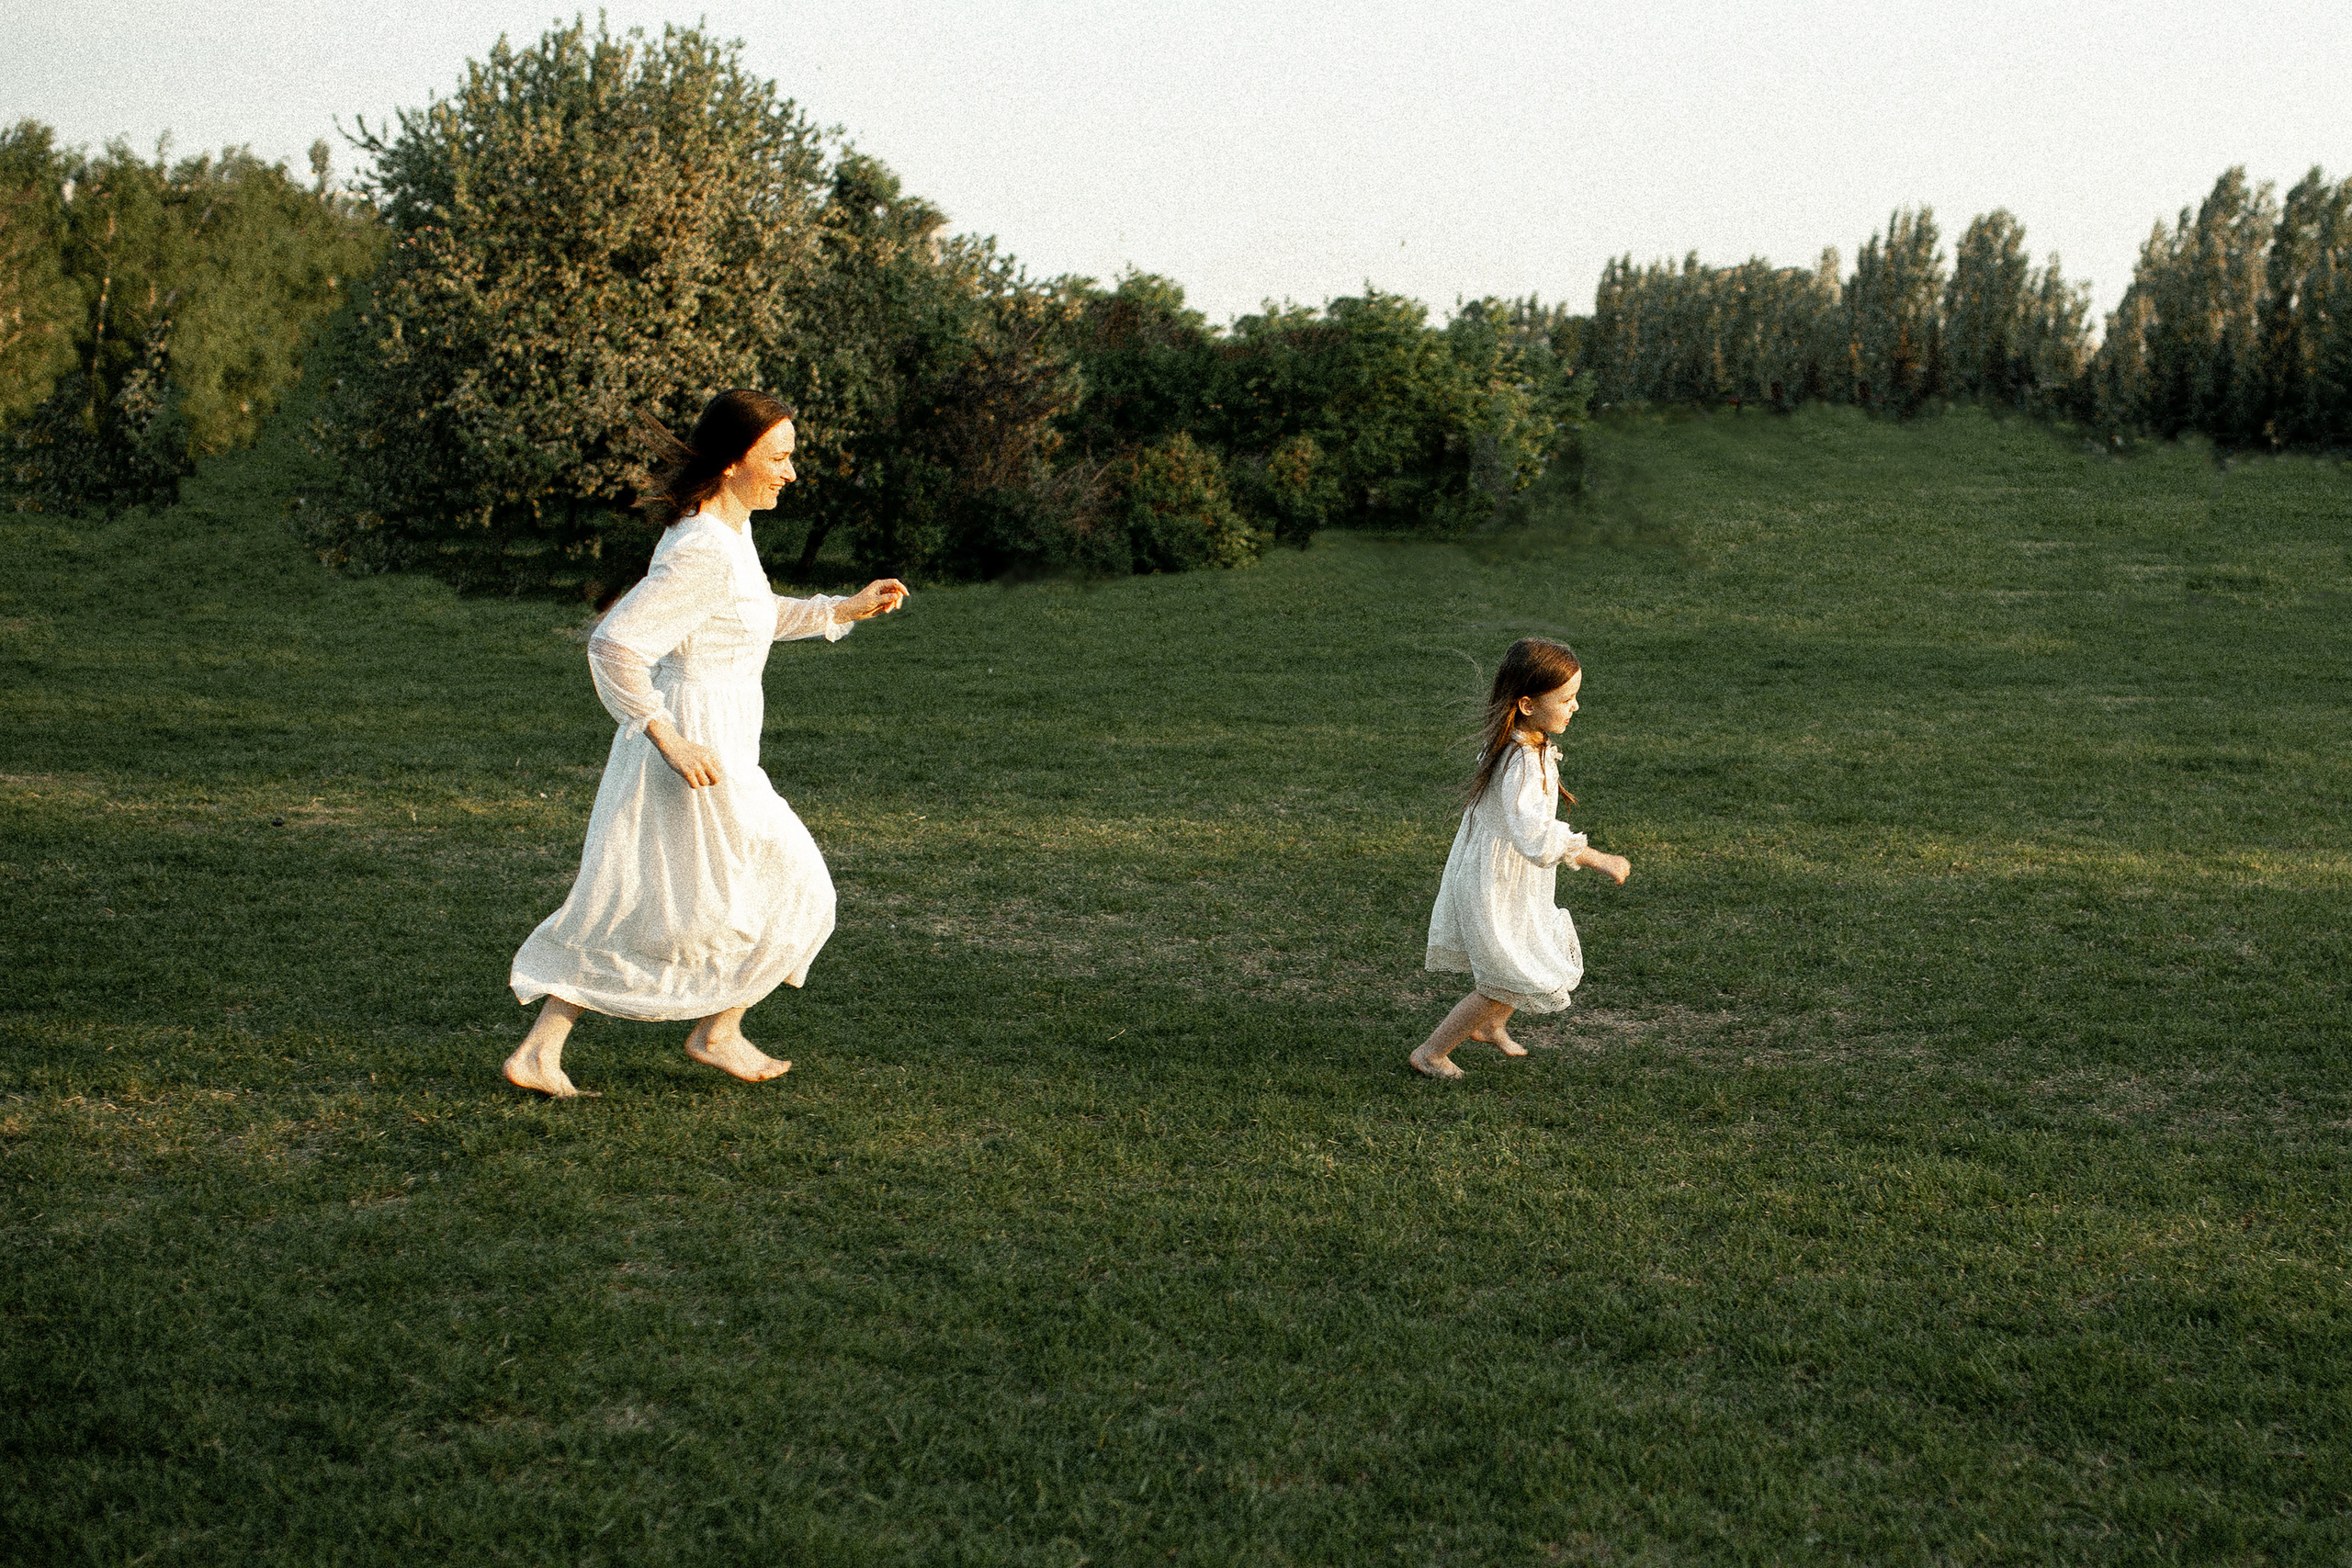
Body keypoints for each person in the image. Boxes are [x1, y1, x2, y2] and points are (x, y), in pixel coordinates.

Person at [503, 389, 908, 1097]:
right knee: (792, 885)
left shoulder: (727, 533)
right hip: (696, 747)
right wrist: (669, 737)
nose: (790, 472)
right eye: (779, 457)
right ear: (731, 463)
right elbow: (615, 642)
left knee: (660, 901)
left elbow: (745, 619)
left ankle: (571, 1048)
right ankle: (707, 1034)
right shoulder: (703, 549)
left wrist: (843, 608)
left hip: (719, 739)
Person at [1411, 637, 1631, 1080]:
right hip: (1496, 882)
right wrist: (1593, 856)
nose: (1575, 707)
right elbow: (1532, 831)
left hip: (1513, 878)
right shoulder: (1523, 758)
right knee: (1507, 975)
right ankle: (1431, 1052)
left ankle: (1491, 1024)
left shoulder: (1523, 742)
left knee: (1523, 953)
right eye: (1567, 699)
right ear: (1528, 704)